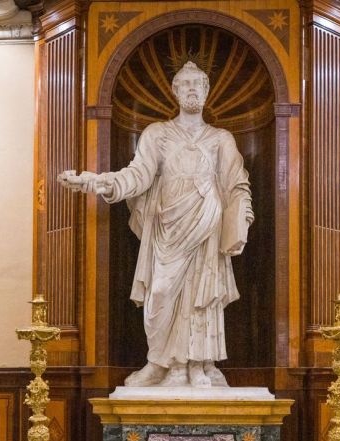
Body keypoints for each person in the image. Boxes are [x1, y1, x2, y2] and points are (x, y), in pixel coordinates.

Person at [58, 61, 254, 388]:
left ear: (207, 91)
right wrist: (98, 182)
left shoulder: (221, 139)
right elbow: (137, 175)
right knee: (160, 294)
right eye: (185, 84)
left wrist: (240, 220)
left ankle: (196, 367)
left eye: (198, 84)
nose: (192, 89)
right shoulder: (157, 134)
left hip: (206, 222)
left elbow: (237, 183)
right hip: (168, 227)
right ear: (175, 92)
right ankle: (160, 364)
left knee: (200, 295)